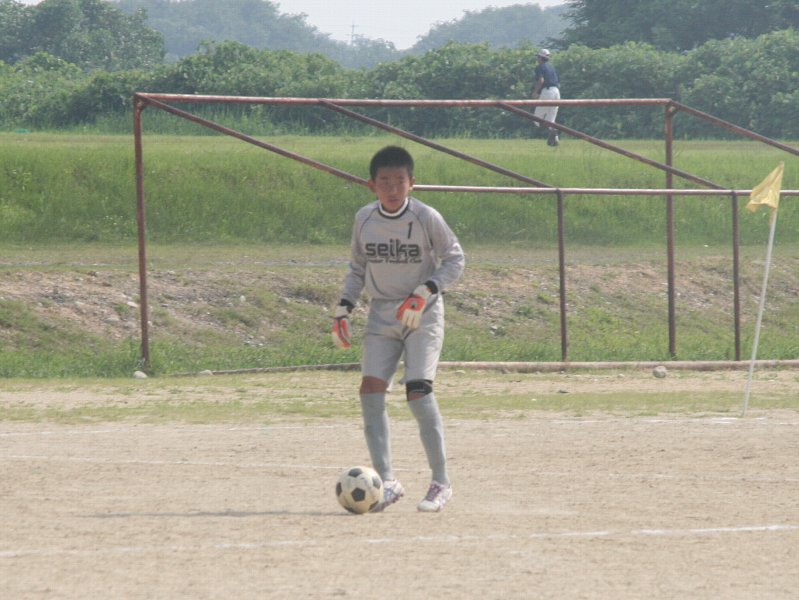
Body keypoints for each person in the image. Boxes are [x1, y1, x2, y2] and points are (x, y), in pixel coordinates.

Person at [331, 145, 465, 513]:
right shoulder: (364, 219)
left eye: (399, 181)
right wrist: (343, 308)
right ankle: (387, 482)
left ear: (412, 183)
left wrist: (425, 291)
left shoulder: (425, 217)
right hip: (381, 314)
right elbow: (357, 268)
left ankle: (441, 483)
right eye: (385, 182)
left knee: (418, 392)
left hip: (422, 313)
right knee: (370, 391)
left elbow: (455, 259)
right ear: (371, 185)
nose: (392, 189)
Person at [531, 48, 560, 147]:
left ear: (540, 58)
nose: (537, 59)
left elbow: (541, 81)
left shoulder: (539, 67)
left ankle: (552, 132)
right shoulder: (552, 68)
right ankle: (554, 139)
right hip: (556, 92)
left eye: (538, 57)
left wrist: (535, 92)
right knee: (551, 119)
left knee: (536, 119)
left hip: (547, 91)